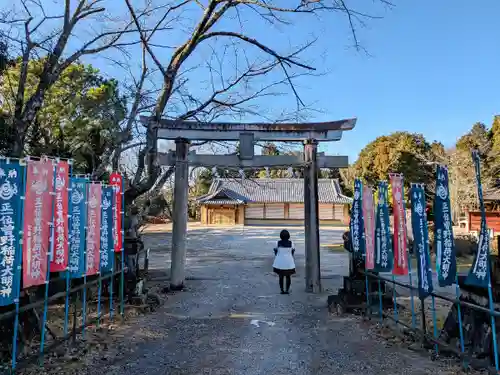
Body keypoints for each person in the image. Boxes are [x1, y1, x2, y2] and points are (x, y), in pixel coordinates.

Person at [272, 229, 296, 294]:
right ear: (288, 236)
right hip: (289, 262)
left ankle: (282, 290)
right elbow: (293, 251)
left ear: (281, 236)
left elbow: (276, 251)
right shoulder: (291, 243)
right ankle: (287, 290)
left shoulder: (278, 243)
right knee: (288, 276)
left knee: (281, 276)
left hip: (280, 262)